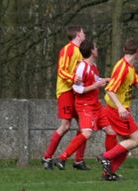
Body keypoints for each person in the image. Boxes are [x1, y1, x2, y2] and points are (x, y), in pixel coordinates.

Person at [52, 40, 118, 180]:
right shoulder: (81, 67)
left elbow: (93, 80)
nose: (98, 50)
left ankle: (108, 165)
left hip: (96, 104)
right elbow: (77, 88)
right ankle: (62, 158)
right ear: (92, 51)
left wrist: (104, 80)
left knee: (111, 131)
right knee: (87, 133)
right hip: (85, 105)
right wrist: (95, 86)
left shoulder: (93, 66)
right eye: (96, 48)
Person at [96, 38, 138, 178]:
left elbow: (137, 83)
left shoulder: (129, 67)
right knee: (137, 139)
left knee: (125, 143)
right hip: (117, 110)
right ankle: (105, 156)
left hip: (120, 109)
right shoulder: (122, 68)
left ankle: (108, 172)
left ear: (124, 50)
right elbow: (110, 90)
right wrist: (120, 107)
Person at [41, 25, 89, 170]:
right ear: (77, 35)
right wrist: (74, 78)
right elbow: (61, 70)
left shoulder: (80, 52)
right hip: (66, 91)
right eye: (83, 32)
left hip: (76, 92)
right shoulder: (68, 49)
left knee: (84, 126)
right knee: (66, 126)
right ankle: (46, 157)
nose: (84, 34)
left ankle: (78, 160)